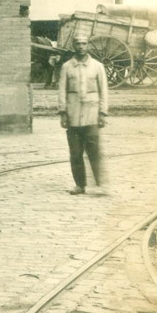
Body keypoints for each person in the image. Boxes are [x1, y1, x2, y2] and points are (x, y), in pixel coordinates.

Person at [57, 34, 108, 194]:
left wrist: (102, 113)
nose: (81, 46)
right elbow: (61, 91)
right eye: (78, 44)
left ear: (88, 46)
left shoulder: (97, 66)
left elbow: (104, 91)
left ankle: (100, 185)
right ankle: (80, 185)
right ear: (73, 46)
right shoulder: (66, 67)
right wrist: (63, 113)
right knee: (76, 153)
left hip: (92, 115)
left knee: (94, 151)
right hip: (73, 116)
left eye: (84, 44)